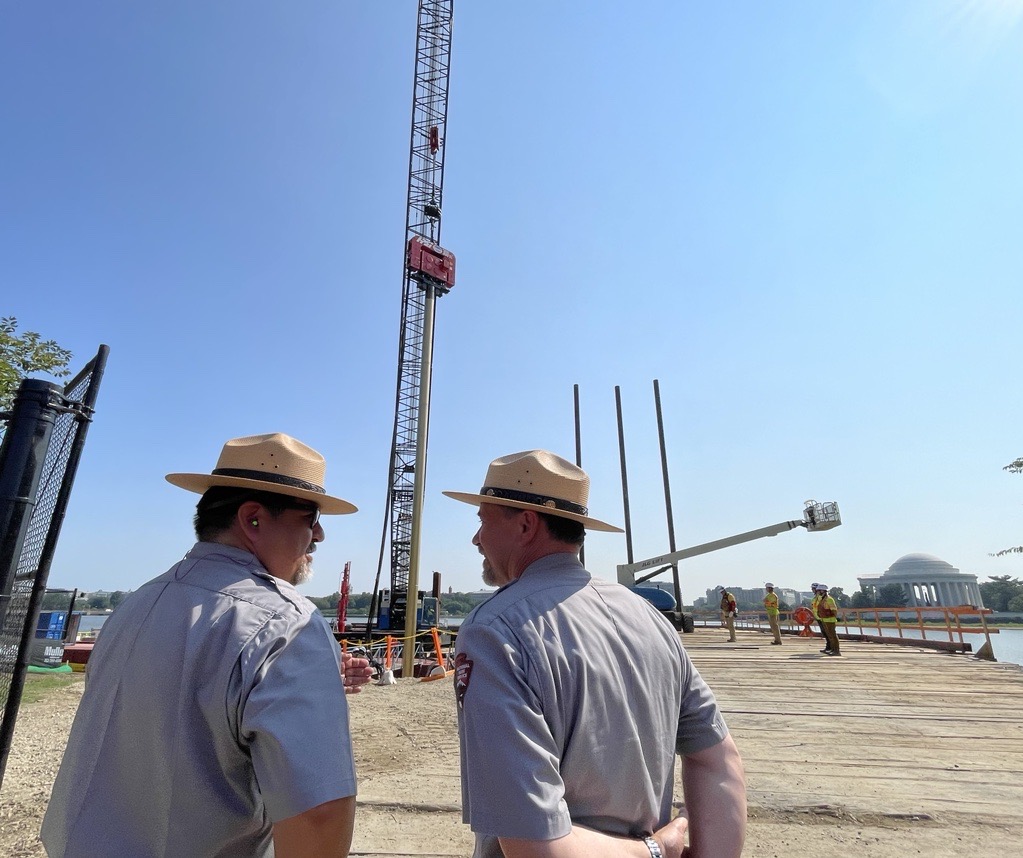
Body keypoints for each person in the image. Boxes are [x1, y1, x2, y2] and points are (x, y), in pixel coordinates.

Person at [41, 433, 373, 858]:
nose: (319, 535)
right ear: (253, 518)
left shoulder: (139, 602)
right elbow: (318, 814)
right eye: (310, 517)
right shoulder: (287, 622)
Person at [444, 450, 746, 858]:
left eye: (483, 520)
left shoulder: (495, 631)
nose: (476, 538)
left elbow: (534, 843)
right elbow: (718, 760)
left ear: (526, 524)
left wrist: (655, 852)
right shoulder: (649, 617)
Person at [816, 583, 841, 656]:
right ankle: (832, 649)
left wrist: (833, 616)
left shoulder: (829, 599)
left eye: (819, 591)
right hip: (824, 619)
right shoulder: (823, 599)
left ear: (823, 591)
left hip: (830, 620)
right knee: (829, 635)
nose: (818, 592)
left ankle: (836, 651)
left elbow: (834, 610)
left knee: (833, 635)